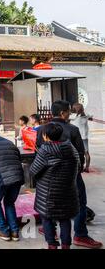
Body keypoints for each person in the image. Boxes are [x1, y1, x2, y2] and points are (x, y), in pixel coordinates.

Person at [36, 100, 102, 249]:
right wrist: (74, 172)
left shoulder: (41, 130)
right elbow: (79, 155)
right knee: (79, 204)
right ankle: (80, 235)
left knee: (47, 205)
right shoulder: (72, 130)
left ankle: (50, 234)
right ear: (62, 113)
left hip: (47, 177)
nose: (69, 114)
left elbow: (38, 154)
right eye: (68, 112)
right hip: (70, 176)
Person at [30, 123, 80, 249]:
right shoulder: (70, 147)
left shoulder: (45, 150)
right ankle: (66, 245)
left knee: (47, 218)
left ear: (45, 136)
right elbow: (78, 166)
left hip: (48, 193)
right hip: (67, 191)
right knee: (65, 218)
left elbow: (33, 171)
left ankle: (52, 244)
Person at [70, 103, 92, 173]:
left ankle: (78, 166)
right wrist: (89, 117)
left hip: (76, 137)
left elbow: (68, 118)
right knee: (86, 152)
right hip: (84, 137)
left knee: (75, 152)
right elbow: (90, 116)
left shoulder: (72, 116)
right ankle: (87, 167)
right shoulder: (86, 116)